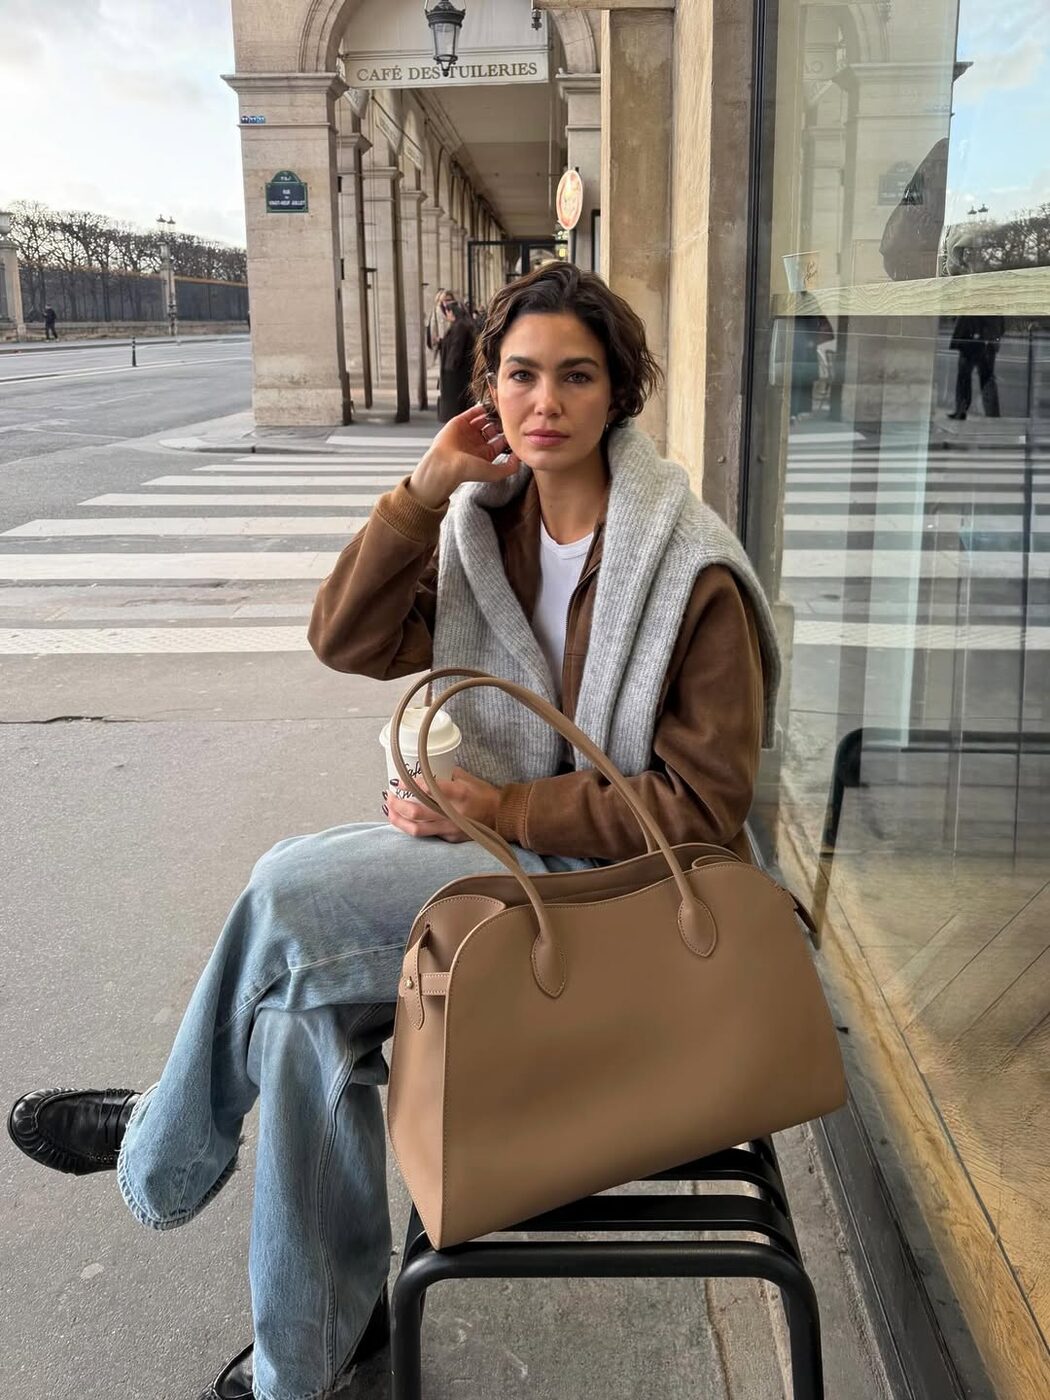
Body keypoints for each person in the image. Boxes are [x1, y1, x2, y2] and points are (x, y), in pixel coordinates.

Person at [8, 263, 779, 1400]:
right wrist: (421, 491)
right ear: (488, 389)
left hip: (627, 913)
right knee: (296, 1022)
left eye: (576, 375)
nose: (545, 401)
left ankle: (163, 1137)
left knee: (288, 889)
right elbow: (346, 636)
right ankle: (317, 1358)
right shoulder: (485, 532)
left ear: (620, 391)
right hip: (505, 878)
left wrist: (494, 808)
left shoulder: (688, 570)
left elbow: (702, 811)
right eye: (521, 374)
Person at [948, 314, 1004, 420]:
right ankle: (992, 414)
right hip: (985, 339)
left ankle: (961, 409)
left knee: (966, 376)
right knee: (986, 377)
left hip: (973, 338)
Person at [436, 299, 478, 422]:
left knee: (456, 404)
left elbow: (456, 348)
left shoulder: (460, 327)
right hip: (458, 371)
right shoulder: (460, 325)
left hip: (456, 373)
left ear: (452, 312)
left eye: (447, 312)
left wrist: (450, 368)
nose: (447, 315)